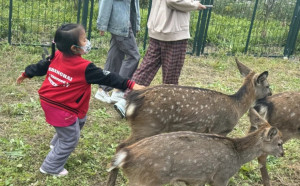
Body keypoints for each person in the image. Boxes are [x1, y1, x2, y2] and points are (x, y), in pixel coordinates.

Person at [16, 23, 144, 176]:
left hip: (50, 101)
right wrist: (131, 84)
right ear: (74, 48)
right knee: (70, 138)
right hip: (61, 107)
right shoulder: (85, 68)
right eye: (84, 40)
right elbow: (109, 78)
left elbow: (41, 66)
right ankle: (51, 167)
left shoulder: (56, 55)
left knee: (79, 120)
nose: (87, 41)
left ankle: (56, 145)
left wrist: (26, 73)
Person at [114, 0, 207, 118]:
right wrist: (194, 5)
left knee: (146, 68)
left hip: (157, 27)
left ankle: (126, 102)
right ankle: (167, 110)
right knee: (171, 75)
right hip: (173, 30)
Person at [94, 0, 141, 116]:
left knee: (115, 54)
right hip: (120, 23)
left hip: (125, 21)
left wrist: (137, 23)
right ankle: (118, 89)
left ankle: (102, 89)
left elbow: (135, 3)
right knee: (133, 55)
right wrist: (102, 24)